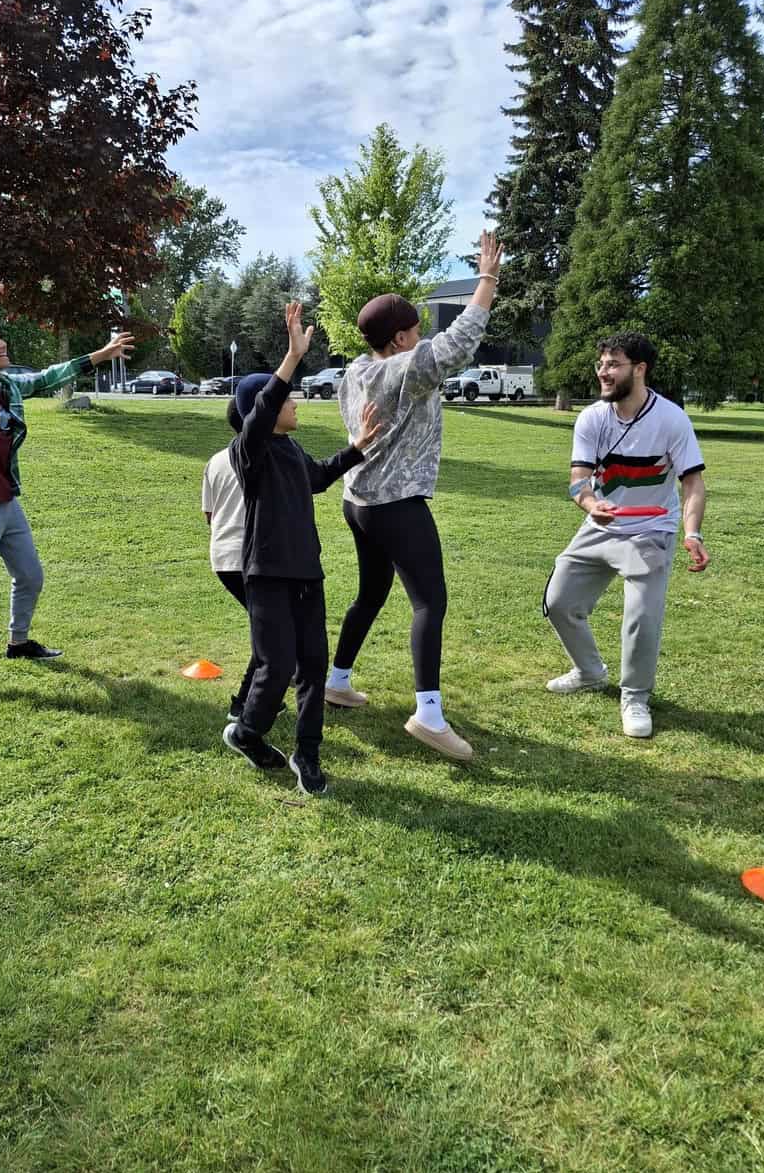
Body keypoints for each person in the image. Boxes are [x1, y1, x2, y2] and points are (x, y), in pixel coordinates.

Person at [325, 230, 504, 762]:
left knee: (372, 594)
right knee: (430, 601)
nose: (423, 337)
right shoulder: (405, 370)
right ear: (401, 340)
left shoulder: (354, 372)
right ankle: (428, 715)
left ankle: (337, 679)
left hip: (358, 502)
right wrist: (487, 278)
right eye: (416, 331)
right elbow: (459, 344)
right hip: (395, 504)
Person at [0, 265, 133, 699]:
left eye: (0, 337)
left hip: (6, 500)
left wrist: (102, 352)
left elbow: (51, 375)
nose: (2, 344)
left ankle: (18, 643)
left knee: (31, 575)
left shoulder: (10, 387)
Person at [223, 302, 380, 796]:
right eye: (289, 400)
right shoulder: (250, 450)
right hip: (266, 573)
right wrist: (291, 358)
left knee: (313, 667)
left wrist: (357, 447)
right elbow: (267, 403)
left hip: (307, 574)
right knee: (276, 667)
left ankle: (306, 754)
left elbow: (317, 478)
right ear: (263, 410)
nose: (296, 405)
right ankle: (247, 732)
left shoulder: (290, 450)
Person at [543, 332, 709, 737]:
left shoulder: (671, 419)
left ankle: (634, 697)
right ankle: (589, 671)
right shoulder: (591, 418)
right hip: (600, 525)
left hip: (651, 529)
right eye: (601, 363)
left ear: (640, 369)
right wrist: (589, 504)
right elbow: (578, 478)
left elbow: (692, 484)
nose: (603, 371)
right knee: (559, 602)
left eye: (613, 364)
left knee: (640, 618)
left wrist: (693, 533)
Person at [201, 399, 259, 720]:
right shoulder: (263, 457)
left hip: (222, 558)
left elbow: (210, 515)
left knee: (271, 625)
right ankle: (246, 703)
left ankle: (276, 678)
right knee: (273, 631)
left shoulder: (215, 461)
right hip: (251, 557)